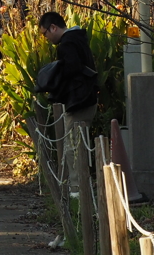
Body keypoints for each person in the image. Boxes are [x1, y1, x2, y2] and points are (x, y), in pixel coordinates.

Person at [38, 11, 99, 193]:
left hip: (78, 101)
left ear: (53, 27)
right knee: (80, 143)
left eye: (45, 33)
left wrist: (56, 77)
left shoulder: (67, 44)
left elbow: (72, 68)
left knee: (73, 145)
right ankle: (81, 183)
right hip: (88, 98)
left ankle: (77, 188)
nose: (46, 38)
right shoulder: (79, 38)